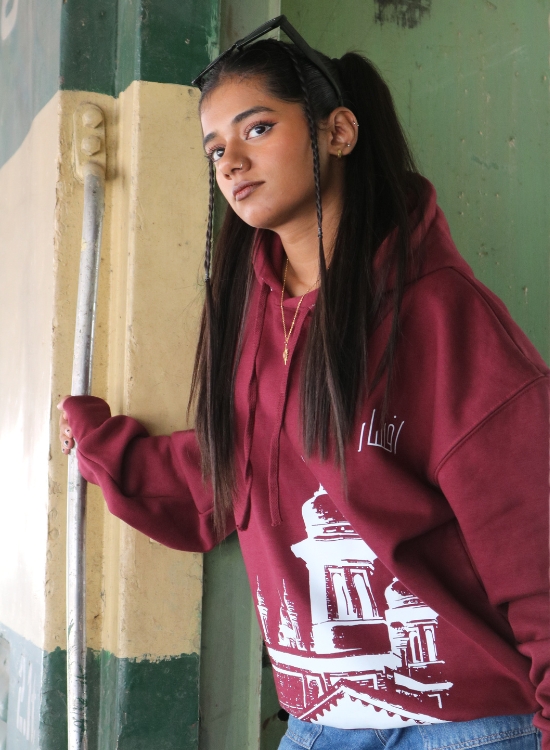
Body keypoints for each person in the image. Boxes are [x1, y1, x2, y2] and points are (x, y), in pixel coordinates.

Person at [58, 17, 549, 750]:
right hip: (317, 725)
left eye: (257, 129)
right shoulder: (252, 311)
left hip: (464, 727)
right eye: (215, 148)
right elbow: (236, 472)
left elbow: (530, 536)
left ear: (338, 132)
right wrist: (103, 449)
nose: (231, 162)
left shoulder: (441, 313)